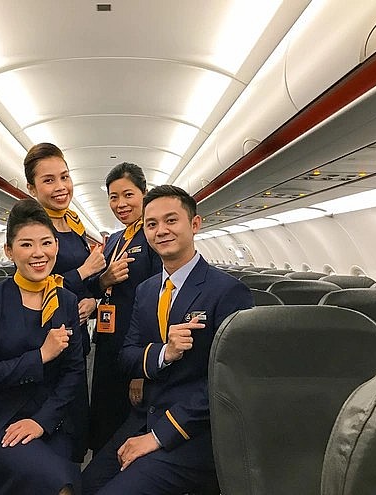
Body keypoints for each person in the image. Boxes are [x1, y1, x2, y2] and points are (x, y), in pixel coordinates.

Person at [82, 185, 254, 494]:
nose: (161, 230)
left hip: (193, 432)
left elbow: (229, 382)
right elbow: (128, 356)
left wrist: (158, 436)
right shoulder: (147, 290)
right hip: (143, 418)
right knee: (86, 484)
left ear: (195, 224)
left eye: (171, 220)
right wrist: (164, 353)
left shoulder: (228, 292)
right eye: (152, 224)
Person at [0, 198, 84, 494]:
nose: (38, 253)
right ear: (9, 250)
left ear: (56, 245)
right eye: (26, 244)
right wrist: (41, 356)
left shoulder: (66, 301)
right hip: (0, 421)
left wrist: (42, 422)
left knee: (71, 480)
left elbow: (74, 373)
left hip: (51, 420)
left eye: (46, 243)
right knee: (59, 486)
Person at [24, 142, 106, 462]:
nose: (61, 186)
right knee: (50, 429)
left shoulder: (73, 223)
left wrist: (93, 300)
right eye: (49, 180)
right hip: (44, 336)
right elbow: (35, 284)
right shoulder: (32, 228)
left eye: (65, 176)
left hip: (76, 337)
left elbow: (82, 285)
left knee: (75, 426)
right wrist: (84, 271)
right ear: (32, 189)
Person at [86, 162, 162, 454]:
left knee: (128, 420)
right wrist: (103, 279)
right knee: (104, 416)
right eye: (113, 197)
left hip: (136, 347)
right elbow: (97, 286)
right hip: (108, 341)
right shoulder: (115, 240)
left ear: (144, 193)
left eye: (128, 195)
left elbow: (158, 307)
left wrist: (143, 370)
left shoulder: (153, 237)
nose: (120, 204)